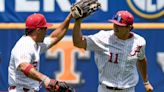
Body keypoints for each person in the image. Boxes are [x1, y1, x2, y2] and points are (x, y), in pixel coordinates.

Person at [72, 10, 154, 92]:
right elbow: (78, 42)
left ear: (129, 28)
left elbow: (141, 59)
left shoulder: (139, 42)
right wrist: (78, 22)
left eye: (119, 25)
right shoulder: (103, 38)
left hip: (129, 89)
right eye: (114, 23)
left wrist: (146, 82)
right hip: (106, 89)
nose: (115, 27)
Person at [8, 13, 73, 91]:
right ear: (38, 30)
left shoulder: (36, 44)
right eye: (45, 28)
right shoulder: (24, 45)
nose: (46, 31)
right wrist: (45, 79)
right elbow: (23, 66)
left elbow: (55, 37)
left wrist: (69, 17)